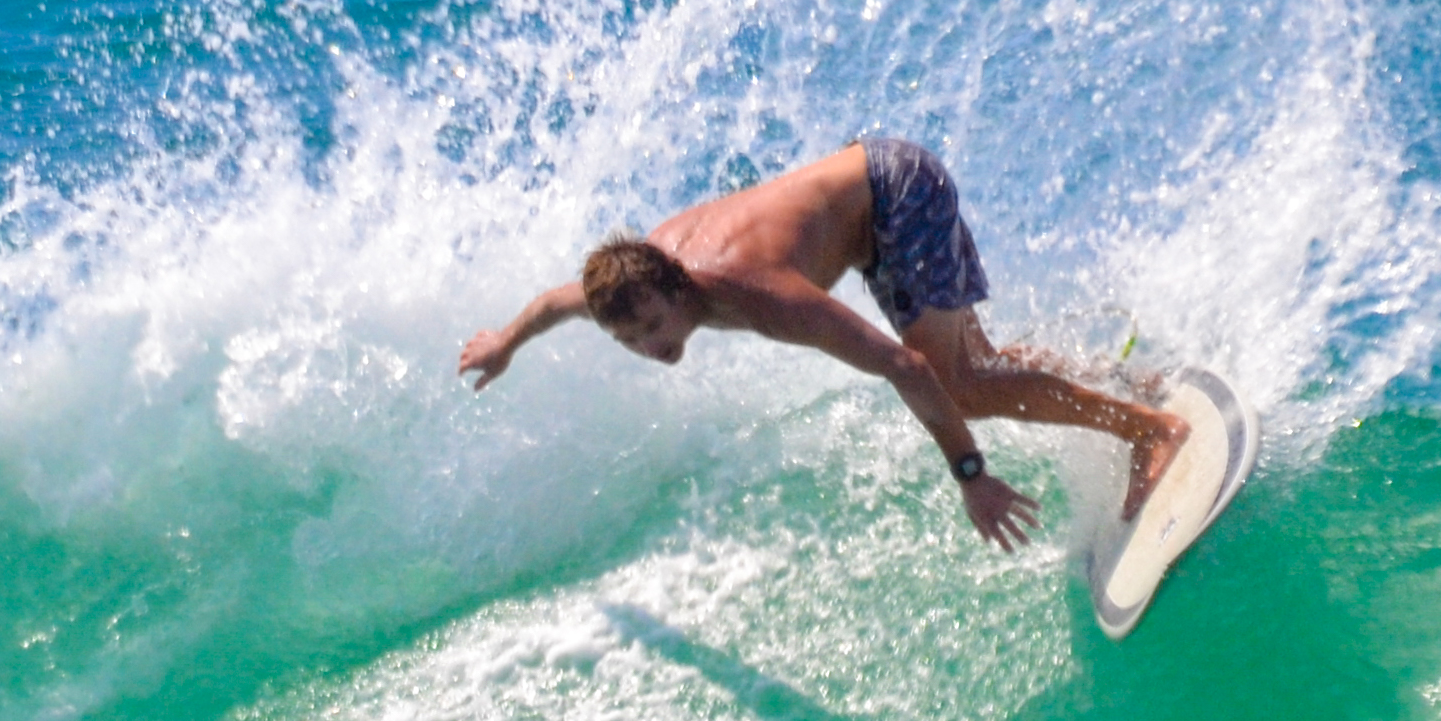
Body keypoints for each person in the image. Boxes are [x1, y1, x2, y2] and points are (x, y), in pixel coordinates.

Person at [460, 137, 1185, 553]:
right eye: (628, 340)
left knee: (956, 382)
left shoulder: (756, 294)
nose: (648, 346)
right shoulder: (626, 286)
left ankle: (1150, 431)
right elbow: (554, 304)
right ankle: (1134, 385)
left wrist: (970, 475)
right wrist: (505, 345)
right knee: (976, 365)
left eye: (652, 328)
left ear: (679, 289)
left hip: (898, 194)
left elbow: (902, 367)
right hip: (871, 197)